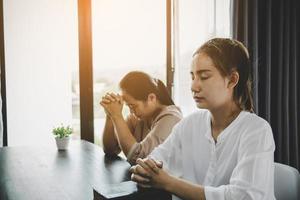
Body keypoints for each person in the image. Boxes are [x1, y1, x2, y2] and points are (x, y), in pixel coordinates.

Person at [130, 38, 276, 200]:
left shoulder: (256, 131)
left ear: (232, 80)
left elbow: (245, 196)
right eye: (192, 77)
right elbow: (156, 159)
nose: (194, 86)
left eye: (204, 77)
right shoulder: (189, 124)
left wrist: (169, 183)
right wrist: (144, 170)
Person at [100, 71, 182, 164]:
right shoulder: (139, 117)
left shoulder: (171, 118)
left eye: (133, 106)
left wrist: (117, 116)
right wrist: (110, 115)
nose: (131, 111)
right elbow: (110, 150)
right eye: (129, 106)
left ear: (151, 98)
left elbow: (140, 159)